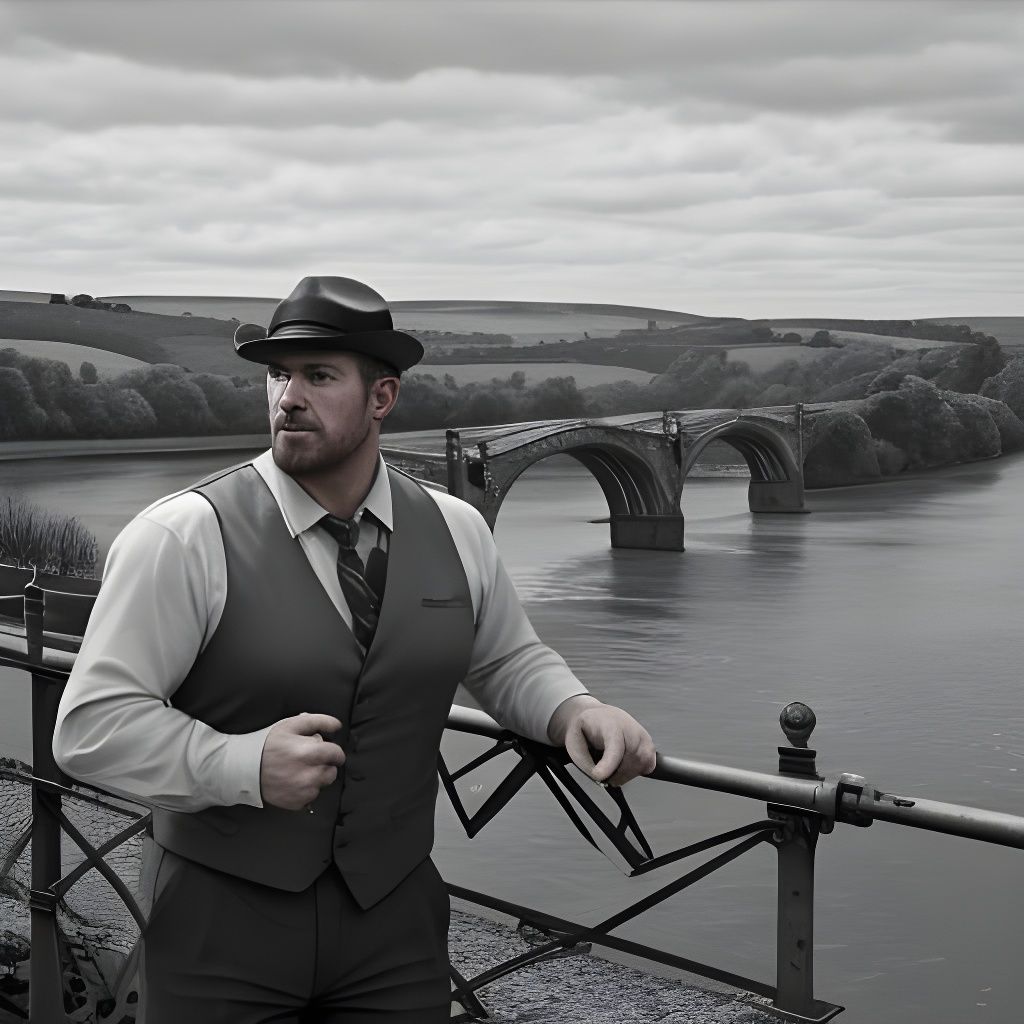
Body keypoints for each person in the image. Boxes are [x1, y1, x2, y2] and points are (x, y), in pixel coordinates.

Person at [52, 275, 657, 1023]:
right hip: (220, 922)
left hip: (395, 922)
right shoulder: (182, 536)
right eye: (279, 374)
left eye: (319, 375)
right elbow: (90, 728)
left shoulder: (457, 528)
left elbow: (505, 660)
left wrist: (575, 710)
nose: (288, 397)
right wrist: (241, 764)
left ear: (383, 398)